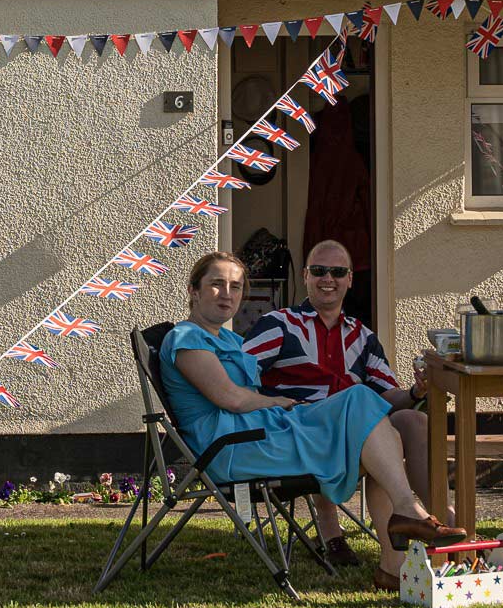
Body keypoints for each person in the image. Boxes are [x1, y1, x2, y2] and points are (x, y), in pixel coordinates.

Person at [161, 251, 463, 589]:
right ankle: (408, 516)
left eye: (235, 286)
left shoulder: (230, 340)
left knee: (377, 437)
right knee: (362, 403)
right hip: (232, 448)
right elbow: (230, 398)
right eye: (216, 284)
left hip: (263, 433)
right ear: (193, 290)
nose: (227, 293)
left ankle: (394, 566)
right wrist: (277, 400)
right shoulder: (186, 338)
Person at [242, 239, 444, 568]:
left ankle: (440, 519)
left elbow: (386, 395)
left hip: (351, 436)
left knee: (412, 420)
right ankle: (393, 520)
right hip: (301, 435)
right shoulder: (280, 325)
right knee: (359, 398)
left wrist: (416, 393)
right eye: (319, 271)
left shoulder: (362, 336)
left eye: (338, 272)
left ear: (350, 279)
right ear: (305, 276)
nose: (328, 279)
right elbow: (237, 376)